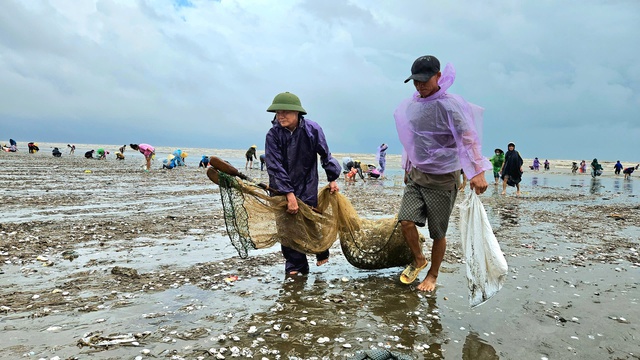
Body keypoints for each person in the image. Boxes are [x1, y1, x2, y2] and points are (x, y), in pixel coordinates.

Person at [394, 55, 491, 292]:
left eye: (425, 80)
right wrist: (407, 166)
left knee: (438, 232)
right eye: (416, 81)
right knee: (405, 221)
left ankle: (433, 275)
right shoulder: (413, 105)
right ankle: (419, 259)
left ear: (438, 76)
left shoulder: (449, 105)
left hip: (443, 177)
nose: (420, 85)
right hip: (417, 174)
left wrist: (477, 171)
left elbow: (467, 137)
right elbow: (412, 140)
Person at [264, 91, 341, 275]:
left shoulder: (312, 130)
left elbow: (325, 154)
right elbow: (274, 166)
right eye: (277, 112)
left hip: (307, 183)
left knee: (309, 220)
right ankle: (296, 265)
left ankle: (320, 249)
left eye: (285, 112)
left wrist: (332, 179)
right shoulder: (273, 135)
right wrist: (288, 194)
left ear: (297, 113)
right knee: (287, 227)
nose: (280, 116)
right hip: (280, 186)